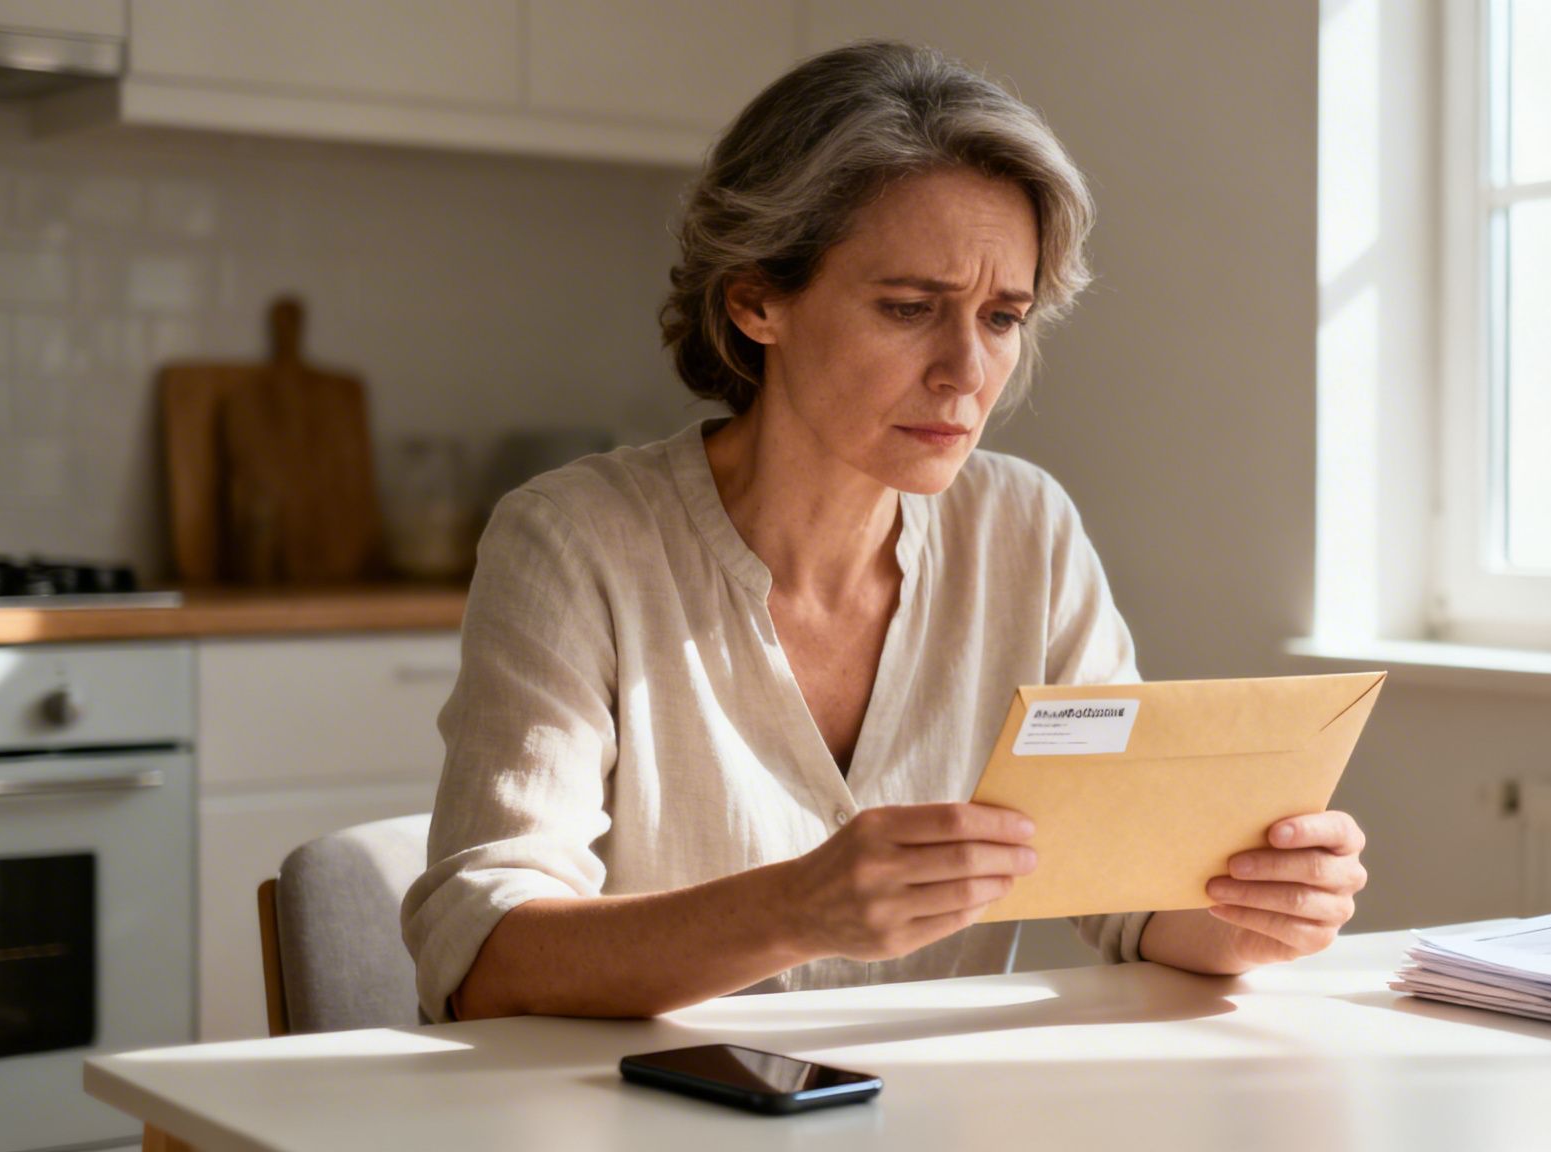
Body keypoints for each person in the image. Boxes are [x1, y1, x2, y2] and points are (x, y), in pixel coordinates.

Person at [400, 40, 1368, 1023]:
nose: (964, 371)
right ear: (755, 301)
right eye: (910, 307)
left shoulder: (1023, 530)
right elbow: (483, 959)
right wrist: (793, 908)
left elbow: (1120, 894)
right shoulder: (574, 542)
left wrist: (1246, 914)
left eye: (1001, 317)